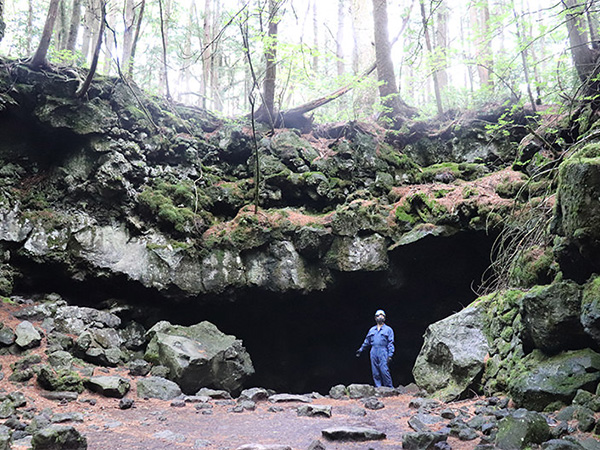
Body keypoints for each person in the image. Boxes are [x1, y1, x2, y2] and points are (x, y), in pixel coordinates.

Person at [356, 309, 394, 387]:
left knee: (384, 370)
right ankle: (378, 388)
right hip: (373, 351)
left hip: (383, 351)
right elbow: (367, 341)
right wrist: (361, 349)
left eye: (382, 316)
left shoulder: (388, 330)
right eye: (378, 316)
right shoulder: (372, 330)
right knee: (375, 371)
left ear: (385, 318)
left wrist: (390, 354)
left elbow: (391, 343)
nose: (380, 317)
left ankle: (389, 388)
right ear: (375, 318)